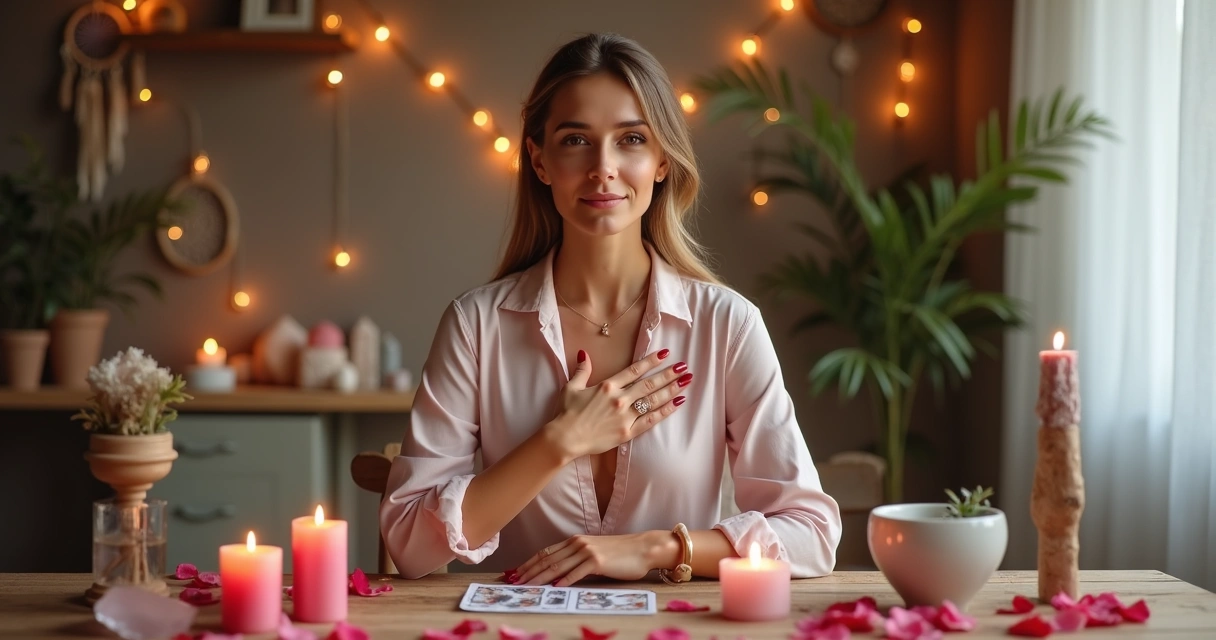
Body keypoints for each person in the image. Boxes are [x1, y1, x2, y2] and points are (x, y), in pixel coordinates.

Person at [381, 33, 841, 587]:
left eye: (631, 140)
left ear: (663, 162)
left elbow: (812, 534)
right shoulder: (475, 325)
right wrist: (560, 441)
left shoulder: (728, 325)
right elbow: (408, 544)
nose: (603, 167)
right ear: (540, 160)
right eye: (576, 139)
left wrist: (658, 548)